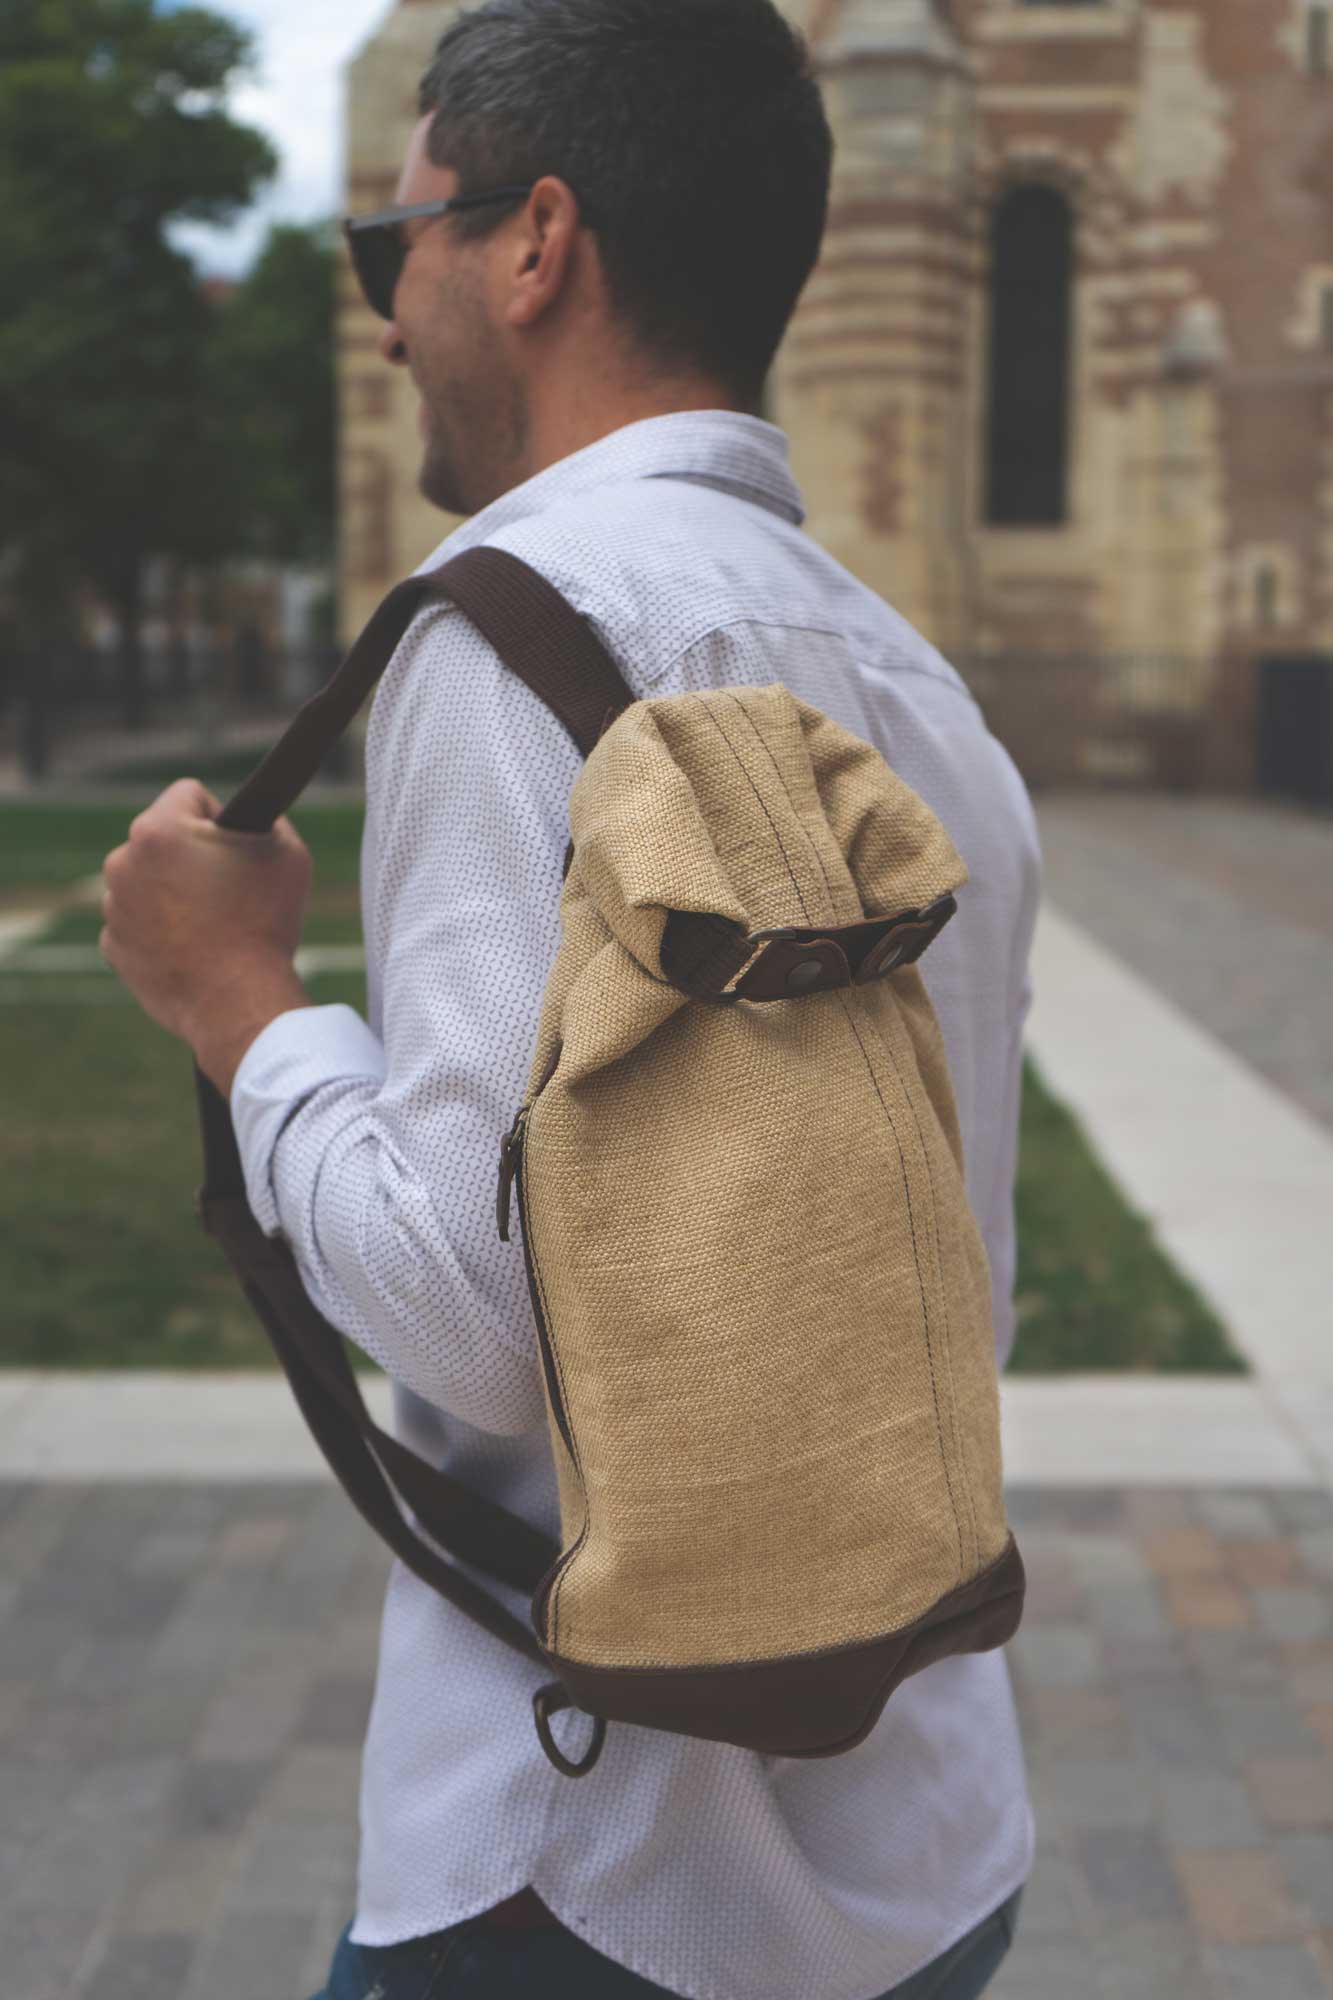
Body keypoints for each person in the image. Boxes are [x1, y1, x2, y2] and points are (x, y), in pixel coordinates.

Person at [99, 2, 1041, 1995]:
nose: (380, 319)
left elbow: (473, 1306)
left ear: (533, 244)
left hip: (589, 1865)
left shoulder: (512, 636)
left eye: (391, 248)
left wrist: (243, 999)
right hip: (932, 1836)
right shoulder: (914, 683)